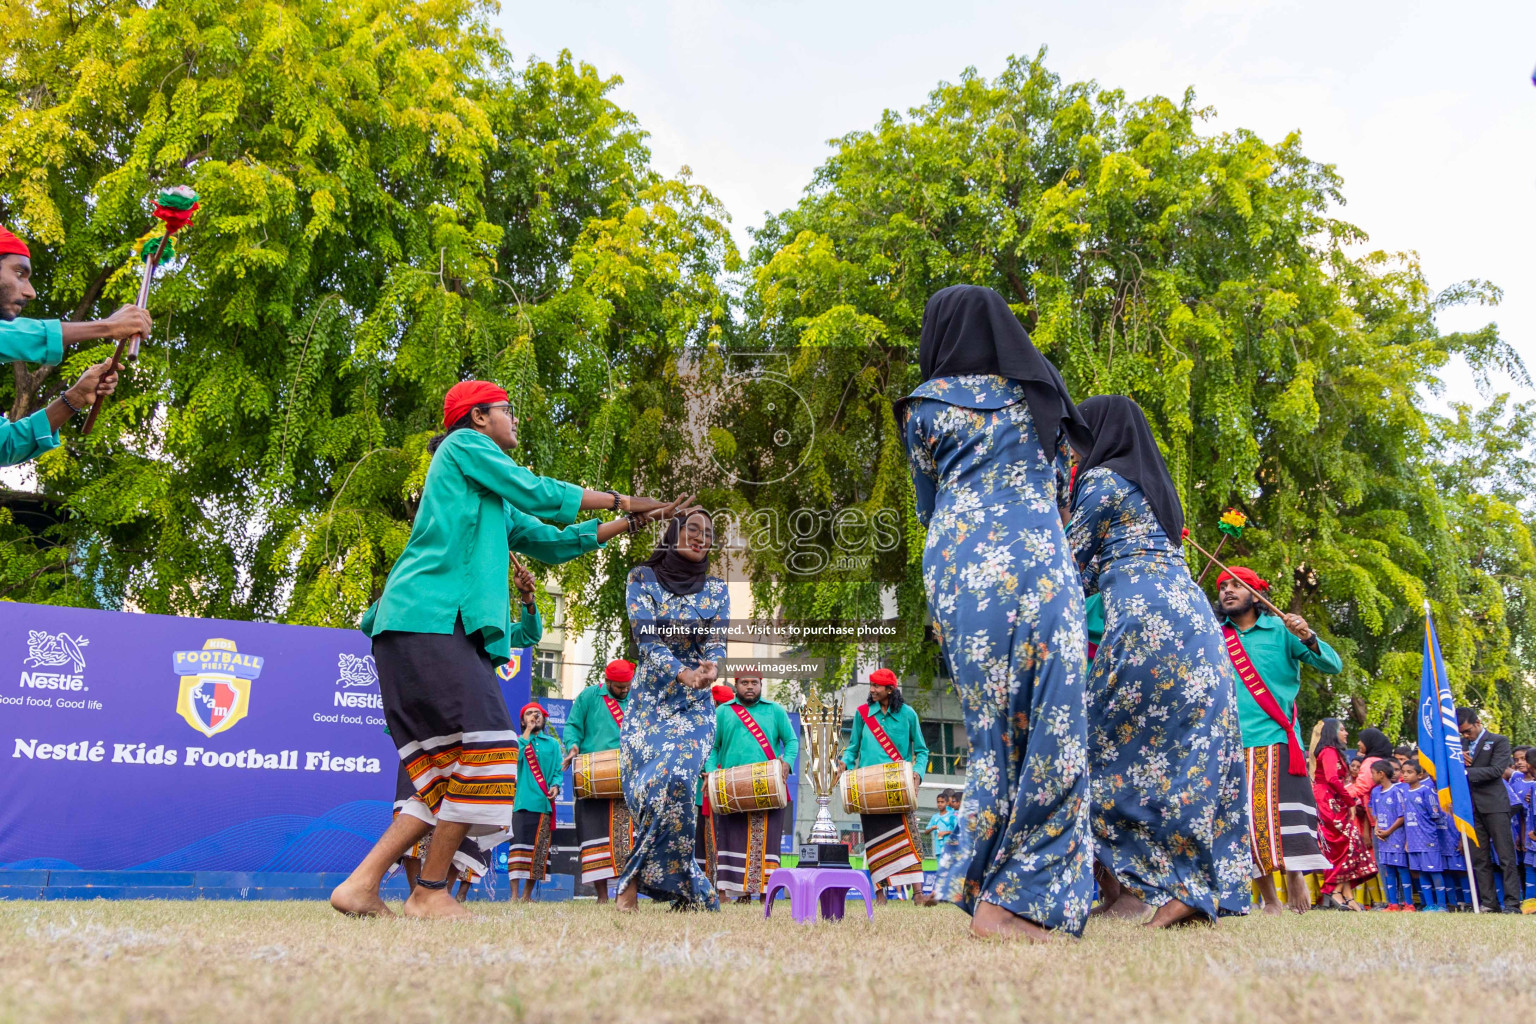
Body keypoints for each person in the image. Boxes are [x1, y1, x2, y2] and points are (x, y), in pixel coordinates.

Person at [328, 379, 682, 920]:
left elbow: (552, 538)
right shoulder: (464, 448)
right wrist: (624, 497)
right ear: (478, 417)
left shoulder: (487, 495)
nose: (514, 420)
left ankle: (362, 885)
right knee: (492, 748)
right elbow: (539, 492)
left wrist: (628, 522)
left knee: (447, 774)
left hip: (436, 629)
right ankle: (429, 892)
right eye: (506, 410)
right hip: (426, 620)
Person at [898, 284, 1095, 940]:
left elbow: (929, 505)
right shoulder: (1044, 396)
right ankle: (1019, 900)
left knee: (993, 735)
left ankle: (989, 892)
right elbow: (1064, 490)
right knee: (1054, 726)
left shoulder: (922, 409)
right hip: (1040, 561)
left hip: (962, 573)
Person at [1065, 394, 1249, 928]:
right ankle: (1173, 886)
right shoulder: (1159, 495)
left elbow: (1070, 566)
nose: (1077, 450)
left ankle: (1152, 888)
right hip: (1196, 626)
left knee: (1092, 745)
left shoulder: (1099, 483)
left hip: (1146, 626)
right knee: (1188, 754)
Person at [615, 510, 728, 912]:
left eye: (709, 534)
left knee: (679, 780)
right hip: (649, 704)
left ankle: (630, 882)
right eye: (693, 530)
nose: (701, 538)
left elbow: (716, 640)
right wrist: (681, 672)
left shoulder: (716, 588)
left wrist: (712, 666)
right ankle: (687, 890)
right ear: (673, 535)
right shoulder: (640, 579)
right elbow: (645, 638)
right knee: (650, 791)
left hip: (695, 706)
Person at [1215, 565, 1340, 914]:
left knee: (1282, 819)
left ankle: (1295, 875)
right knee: (1245, 823)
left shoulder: (1282, 630)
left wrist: (1308, 635)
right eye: (1223, 586)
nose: (1227, 591)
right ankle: (1270, 900)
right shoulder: (1213, 634)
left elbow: (1332, 665)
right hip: (1230, 741)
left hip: (1275, 738)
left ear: (1256, 596)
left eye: (1236, 585)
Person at [704, 669, 797, 900]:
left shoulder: (775, 710)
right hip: (731, 788)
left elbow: (792, 741)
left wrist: (787, 762)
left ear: (760, 684)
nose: (749, 687)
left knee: (768, 842)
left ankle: (767, 894)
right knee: (736, 840)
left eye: (753, 682)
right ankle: (743, 894)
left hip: (769, 786)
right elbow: (713, 748)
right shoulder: (723, 712)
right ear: (736, 685)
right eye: (744, 682)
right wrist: (710, 772)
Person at [838, 668, 929, 902]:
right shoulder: (862, 713)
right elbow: (853, 748)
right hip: (869, 788)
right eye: (871, 685)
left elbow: (921, 750)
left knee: (910, 838)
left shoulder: (908, 714)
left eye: (877, 686)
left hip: (899, 787)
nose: (872, 690)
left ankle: (918, 893)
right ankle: (880, 894)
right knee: (875, 839)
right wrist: (844, 763)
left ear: (890, 689)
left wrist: (917, 774)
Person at [561, 658, 635, 903]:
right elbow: (573, 725)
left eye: (627, 686)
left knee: (629, 840)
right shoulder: (589, 697)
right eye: (619, 687)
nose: (624, 690)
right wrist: (572, 747)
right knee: (594, 838)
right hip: (593, 776)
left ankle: (624, 895)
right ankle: (601, 895)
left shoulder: (638, 699)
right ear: (607, 681)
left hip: (627, 778)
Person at [1457, 707, 1521, 912]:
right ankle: (1489, 903)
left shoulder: (1498, 740)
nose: (1466, 735)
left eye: (1468, 731)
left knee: (1505, 856)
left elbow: (1496, 771)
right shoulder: (1460, 746)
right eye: (1462, 733)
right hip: (1470, 807)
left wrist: (1466, 771)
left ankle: (1512, 903)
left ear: (1477, 723)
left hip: (1495, 805)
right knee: (1479, 857)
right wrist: (1458, 762)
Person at [1309, 719, 1372, 911]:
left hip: (1333, 799)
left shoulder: (1334, 752)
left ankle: (1347, 895)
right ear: (1332, 732)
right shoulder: (1328, 751)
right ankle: (1336, 891)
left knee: (1347, 844)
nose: (1346, 733)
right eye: (1342, 730)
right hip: (1329, 801)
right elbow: (1332, 779)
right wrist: (1349, 800)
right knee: (1344, 845)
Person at [509, 702, 563, 901]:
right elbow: (515, 759)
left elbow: (557, 772)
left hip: (544, 804)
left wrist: (556, 786)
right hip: (522, 803)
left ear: (543, 718)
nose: (534, 716)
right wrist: (527, 733)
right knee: (518, 850)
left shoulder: (553, 744)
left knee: (538, 852)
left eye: (537, 713)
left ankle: (526, 896)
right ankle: (514, 895)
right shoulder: (518, 742)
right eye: (530, 714)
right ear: (523, 721)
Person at [693, 682, 737, 886]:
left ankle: (724, 887)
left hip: (731, 788)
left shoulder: (730, 719)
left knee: (728, 840)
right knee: (706, 841)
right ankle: (708, 885)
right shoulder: (699, 723)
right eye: (718, 705)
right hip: (705, 790)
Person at [1400, 759, 1448, 912]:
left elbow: (1436, 813)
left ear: (1420, 774)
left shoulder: (1426, 791)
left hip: (1427, 838)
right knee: (1421, 872)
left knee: (1434, 871)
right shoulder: (1405, 792)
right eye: (1403, 772)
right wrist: (1407, 839)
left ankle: (1442, 905)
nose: (1405, 775)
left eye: (1410, 772)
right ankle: (1429, 905)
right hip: (1413, 840)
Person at [1370, 759, 1410, 911]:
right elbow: (1377, 813)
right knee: (1388, 870)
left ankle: (1408, 903)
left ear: (1381, 774)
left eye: (1373, 773)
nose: (1371, 776)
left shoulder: (1396, 791)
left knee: (1401, 869)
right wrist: (1377, 828)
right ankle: (1392, 903)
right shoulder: (1376, 792)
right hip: (1383, 838)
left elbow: (1402, 815)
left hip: (1395, 836)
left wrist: (1389, 831)